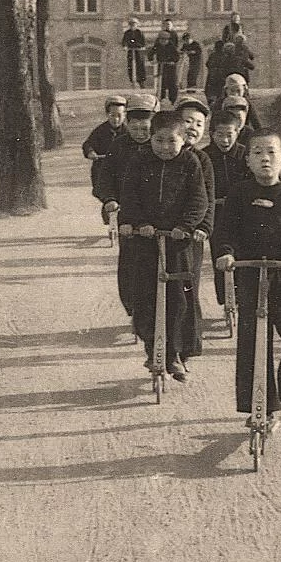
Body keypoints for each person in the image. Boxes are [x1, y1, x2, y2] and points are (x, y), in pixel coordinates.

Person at [215, 129, 281, 427]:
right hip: (250, 273)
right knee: (252, 339)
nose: (265, 159)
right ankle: (259, 405)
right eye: (258, 153)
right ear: (247, 161)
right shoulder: (239, 193)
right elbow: (225, 231)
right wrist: (226, 252)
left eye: (272, 152)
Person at [119, 111, 208, 382]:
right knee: (146, 297)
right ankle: (152, 350)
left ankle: (175, 355)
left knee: (178, 299)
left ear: (183, 140)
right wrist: (137, 222)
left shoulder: (191, 163)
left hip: (177, 241)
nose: (165, 148)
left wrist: (186, 226)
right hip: (146, 239)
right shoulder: (139, 161)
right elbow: (129, 194)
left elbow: (199, 200)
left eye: (172, 141)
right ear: (150, 139)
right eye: (159, 141)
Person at [97, 93, 160, 316]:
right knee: (131, 262)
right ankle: (132, 305)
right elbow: (105, 178)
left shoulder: (161, 146)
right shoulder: (119, 146)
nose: (141, 134)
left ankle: (158, 306)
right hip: (129, 214)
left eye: (146, 129)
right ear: (128, 124)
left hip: (157, 215)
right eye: (135, 128)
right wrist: (109, 199)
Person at [174, 96, 215, 366]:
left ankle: (186, 347)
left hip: (190, 236)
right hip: (161, 231)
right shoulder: (164, 153)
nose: (193, 128)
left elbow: (208, 199)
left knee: (188, 288)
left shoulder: (202, 159)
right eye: (188, 121)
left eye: (199, 124)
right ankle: (162, 345)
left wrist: (204, 226)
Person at [203, 110, 247, 307]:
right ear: (212, 134)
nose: (225, 139)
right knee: (219, 253)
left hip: (243, 212)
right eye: (220, 134)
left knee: (244, 252)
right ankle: (226, 298)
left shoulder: (245, 154)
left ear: (238, 132)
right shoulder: (205, 156)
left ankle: (244, 295)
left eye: (230, 134)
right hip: (217, 214)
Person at [82, 95, 127, 222]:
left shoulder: (128, 132)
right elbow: (88, 144)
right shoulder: (100, 131)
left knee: (124, 192)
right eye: (112, 115)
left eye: (119, 115)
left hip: (122, 169)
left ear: (124, 115)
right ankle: (108, 209)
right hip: (102, 168)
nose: (116, 119)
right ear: (107, 115)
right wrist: (91, 152)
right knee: (104, 190)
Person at [147, 30, 180, 104]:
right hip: (161, 66)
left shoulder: (172, 46)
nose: (163, 42)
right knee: (162, 83)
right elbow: (151, 53)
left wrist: (173, 61)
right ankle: (161, 98)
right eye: (161, 40)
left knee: (172, 83)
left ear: (168, 40)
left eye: (165, 40)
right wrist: (151, 60)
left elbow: (177, 57)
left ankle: (173, 100)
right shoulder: (157, 46)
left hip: (170, 67)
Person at [121, 18, 147, 88]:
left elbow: (143, 42)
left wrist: (141, 46)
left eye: (134, 24)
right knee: (130, 65)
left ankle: (141, 82)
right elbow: (124, 41)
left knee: (140, 65)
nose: (133, 26)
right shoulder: (127, 33)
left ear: (137, 25)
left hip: (138, 51)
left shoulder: (140, 32)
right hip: (130, 50)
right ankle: (132, 80)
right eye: (131, 24)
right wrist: (125, 46)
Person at [204, 39, 225, 107]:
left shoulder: (213, 55)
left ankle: (211, 103)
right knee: (220, 91)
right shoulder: (224, 55)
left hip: (212, 75)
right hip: (221, 76)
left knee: (210, 91)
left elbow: (207, 64)